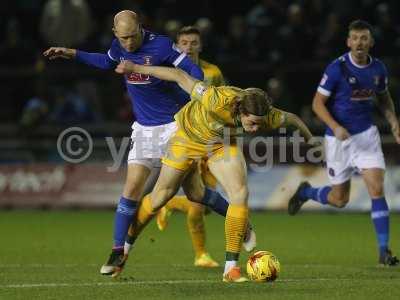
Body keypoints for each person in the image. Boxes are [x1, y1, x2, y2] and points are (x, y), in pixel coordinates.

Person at [43, 10, 254, 276]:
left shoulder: (162, 45)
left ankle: (241, 222)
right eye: (123, 38)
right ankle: (118, 251)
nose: (128, 43)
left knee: (195, 195)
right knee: (132, 190)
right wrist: (72, 53)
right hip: (144, 130)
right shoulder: (118, 46)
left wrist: (158, 71)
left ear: (141, 29)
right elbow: (105, 62)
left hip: (177, 126)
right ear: (115, 34)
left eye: (132, 37)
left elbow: (194, 71)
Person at [114, 60, 316, 282]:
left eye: (259, 124)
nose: (256, 128)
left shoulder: (267, 115)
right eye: (252, 123)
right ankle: (124, 249)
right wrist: (136, 69)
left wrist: (311, 142)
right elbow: (180, 76)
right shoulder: (217, 99)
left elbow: (294, 119)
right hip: (187, 138)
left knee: (240, 192)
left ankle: (231, 269)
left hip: (221, 144)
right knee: (162, 196)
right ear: (240, 110)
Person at [288, 20, 400, 266]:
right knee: (340, 200)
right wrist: (336, 126)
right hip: (338, 140)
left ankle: (384, 252)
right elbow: (317, 104)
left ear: (370, 42)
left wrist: (393, 121)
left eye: (364, 38)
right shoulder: (337, 69)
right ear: (348, 42)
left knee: (376, 189)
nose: (359, 42)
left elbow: (384, 98)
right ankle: (307, 191)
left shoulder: (378, 69)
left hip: (366, 137)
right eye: (355, 38)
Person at [155, 26, 228, 268]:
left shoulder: (212, 72)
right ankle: (201, 255)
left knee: (205, 204)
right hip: (186, 139)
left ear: (200, 46)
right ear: (177, 46)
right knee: (198, 204)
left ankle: (170, 204)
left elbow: (222, 100)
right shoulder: (171, 72)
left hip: (211, 141)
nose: (188, 47)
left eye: (193, 43)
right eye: (184, 43)